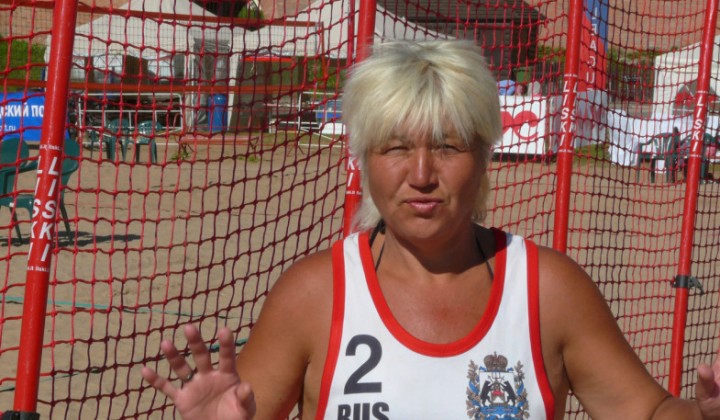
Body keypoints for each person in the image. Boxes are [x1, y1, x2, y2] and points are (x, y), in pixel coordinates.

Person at [142, 40, 720, 419]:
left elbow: (650, 412)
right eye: (395, 147)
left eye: (447, 146)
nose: (421, 174)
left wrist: (702, 413)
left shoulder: (549, 290)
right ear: (364, 159)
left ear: (485, 155)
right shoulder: (315, 295)